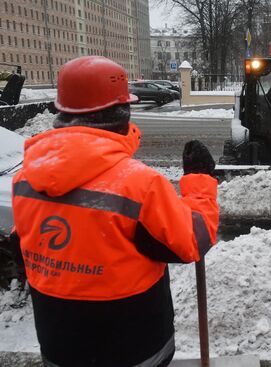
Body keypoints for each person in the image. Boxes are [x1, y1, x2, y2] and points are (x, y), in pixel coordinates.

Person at [11, 56, 219, 367]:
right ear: (122, 113)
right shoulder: (139, 185)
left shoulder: (24, 179)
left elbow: (23, 245)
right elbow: (192, 240)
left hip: (58, 344)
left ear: (62, 113)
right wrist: (200, 180)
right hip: (131, 346)